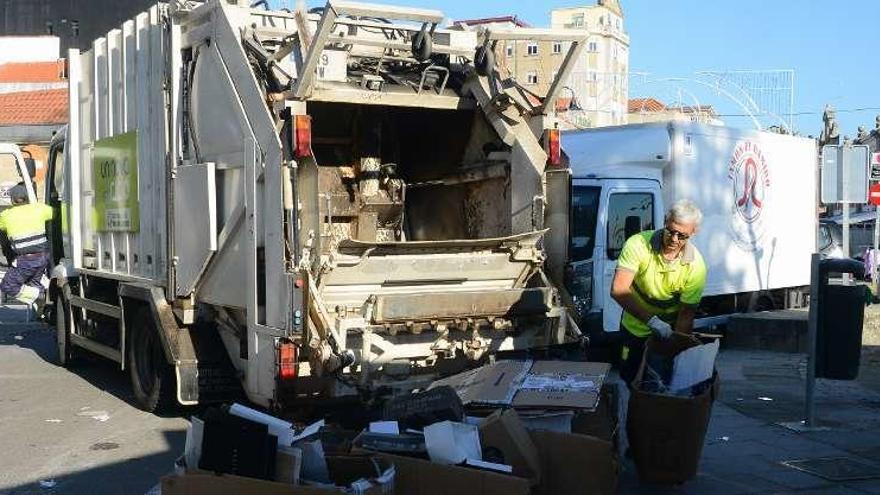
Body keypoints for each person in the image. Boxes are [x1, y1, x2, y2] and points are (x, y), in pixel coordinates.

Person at [610, 199, 707, 384]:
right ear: (665, 221)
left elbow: (686, 314)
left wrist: (678, 346)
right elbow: (618, 289)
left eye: (682, 235)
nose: (674, 239)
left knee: (661, 383)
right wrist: (652, 321)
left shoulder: (696, 266)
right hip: (635, 329)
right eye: (670, 231)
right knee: (629, 380)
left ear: (693, 233)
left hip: (667, 334)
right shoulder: (638, 244)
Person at [0, 184, 53, 309]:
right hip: (43, 257)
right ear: (27, 198)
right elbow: (54, 212)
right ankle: (43, 308)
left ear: (12, 200)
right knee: (34, 283)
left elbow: (2, 234)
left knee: (8, 285)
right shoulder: (40, 209)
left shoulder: (6, 215)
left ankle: (41, 296)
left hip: (26, 260)